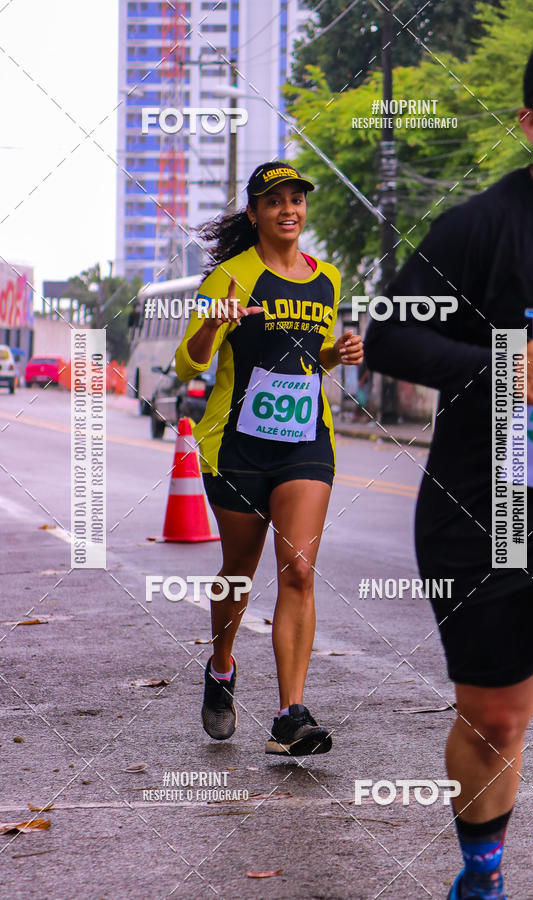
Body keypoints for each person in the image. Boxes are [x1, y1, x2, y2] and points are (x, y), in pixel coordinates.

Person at [365, 17, 533, 900]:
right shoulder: (482, 227)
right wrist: (504, 363)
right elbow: (389, 337)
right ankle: (482, 876)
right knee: (497, 720)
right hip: (490, 508)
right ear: (532, 120)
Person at [175, 161, 363, 756]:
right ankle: (222, 667)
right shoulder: (231, 276)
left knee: (299, 570)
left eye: (296, 199)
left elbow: (308, 357)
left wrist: (336, 353)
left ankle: (289, 716)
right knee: (239, 571)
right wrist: (214, 325)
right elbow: (188, 363)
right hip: (237, 446)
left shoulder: (327, 277)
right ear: (255, 212)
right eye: (275, 200)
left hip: (305, 442)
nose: (289, 209)